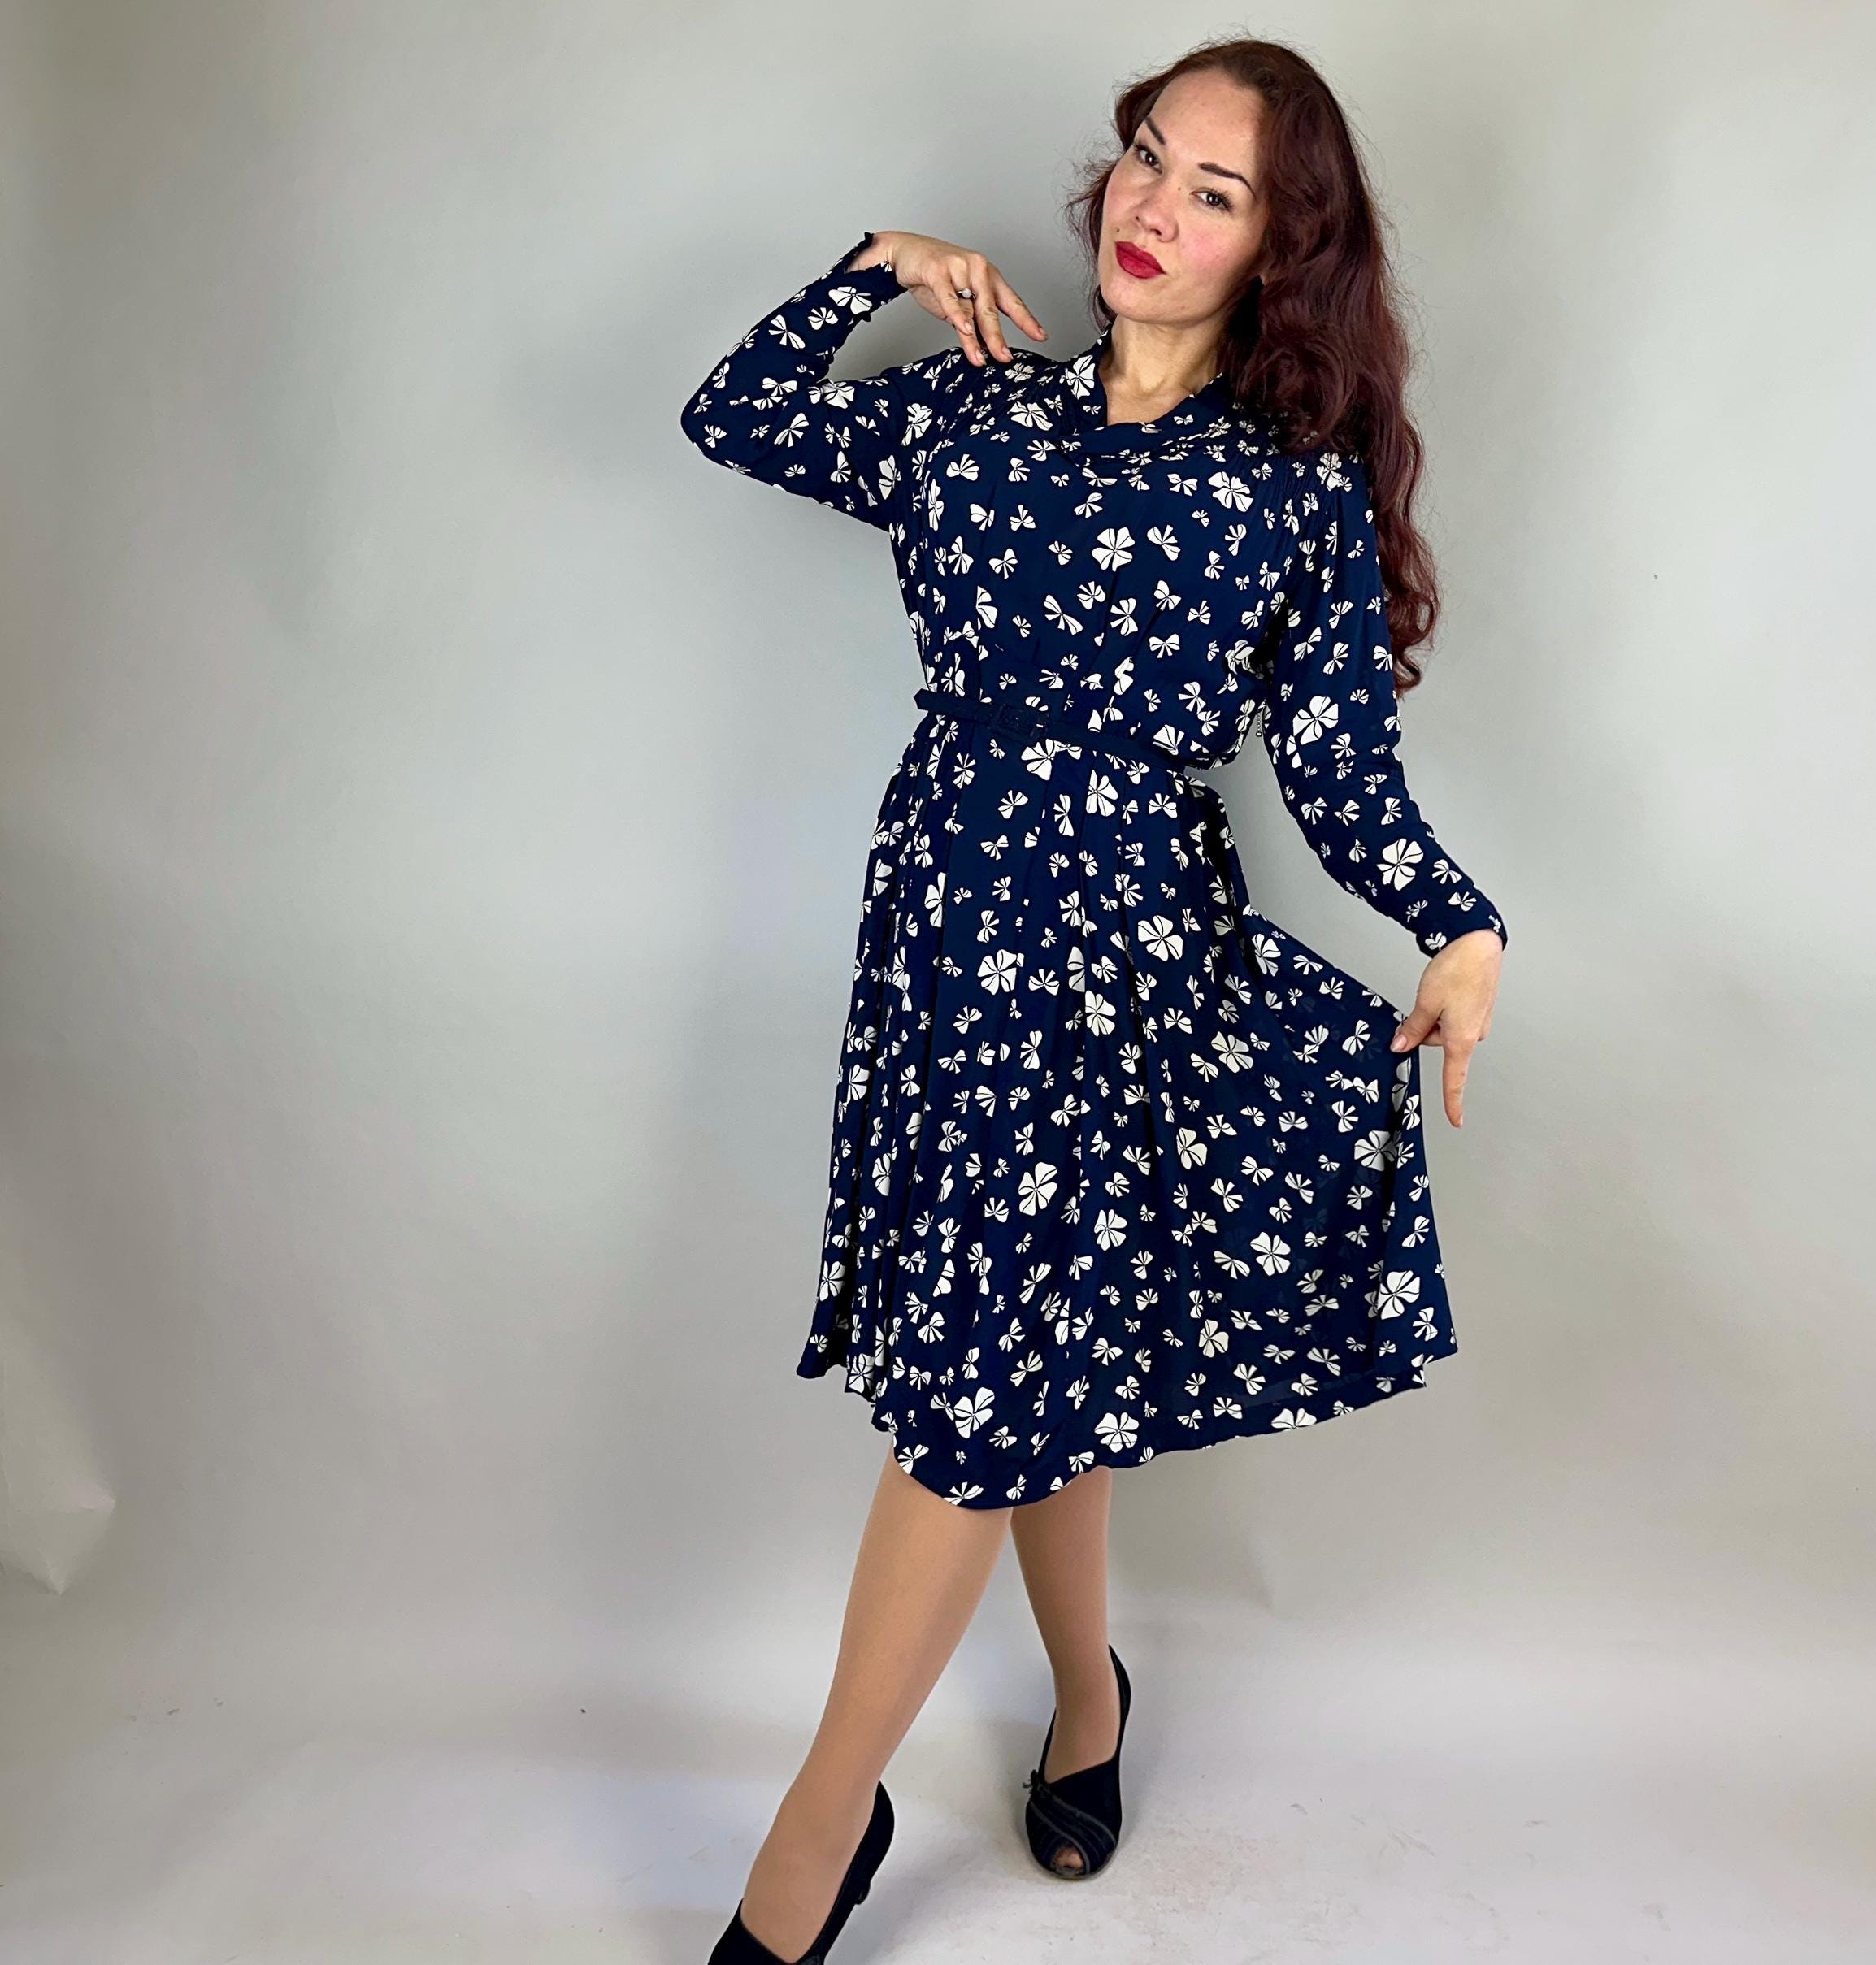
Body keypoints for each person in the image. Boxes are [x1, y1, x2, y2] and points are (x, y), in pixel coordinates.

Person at [680, 36, 1509, 1963]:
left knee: (989, 1379)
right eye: (1148, 158)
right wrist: (875, 267)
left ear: (1279, 248)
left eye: (1217, 192)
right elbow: (737, 413)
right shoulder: (975, 412)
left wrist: (1458, 927)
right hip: (946, 941)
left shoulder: (1288, 490)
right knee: (1031, 1361)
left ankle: (815, 1838)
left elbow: (1340, 777)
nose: (1155, 206)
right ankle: (1089, 1703)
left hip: (1129, 969)